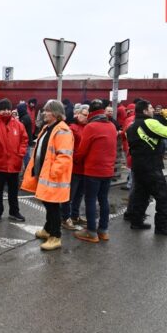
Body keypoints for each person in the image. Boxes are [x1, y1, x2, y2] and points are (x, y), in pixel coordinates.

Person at [21, 99, 74, 251]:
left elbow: (64, 156)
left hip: (53, 178)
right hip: (45, 176)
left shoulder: (62, 130)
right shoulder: (48, 128)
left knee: (53, 207)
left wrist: (53, 173)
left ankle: (55, 236)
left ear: (56, 113)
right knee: (48, 204)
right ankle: (47, 229)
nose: (44, 113)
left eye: (47, 110)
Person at [124, 100, 167, 237]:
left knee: (141, 195)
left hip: (138, 165)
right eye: (150, 108)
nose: (153, 109)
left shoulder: (132, 125)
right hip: (151, 166)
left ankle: (136, 222)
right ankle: (162, 227)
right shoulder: (150, 123)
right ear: (144, 111)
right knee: (164, 197)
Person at [73, 102, 118, 243]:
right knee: (103, 199)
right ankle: (103, 231)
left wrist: (75, 160)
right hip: (108, 170)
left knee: (90, 200)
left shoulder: (90, 127)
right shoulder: (112, 126)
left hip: (93, 170)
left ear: (91, 113)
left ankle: (91, 232)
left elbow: (82, 150)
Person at [0, 98, 28, 224]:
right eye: (3, 109)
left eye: (8, 109)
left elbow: (24, 139)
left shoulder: (18, 124)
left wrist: (21, 153)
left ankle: (14, 211)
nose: (6, 112)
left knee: (13, 191)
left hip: (14, 163)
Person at [61, 103, 89, 229]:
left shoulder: (88, 128)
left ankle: (75, 215)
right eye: (84, 114)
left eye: (88, 115)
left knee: (79, 194)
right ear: (77, 114)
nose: (86, 116)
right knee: (69, 195)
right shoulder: (72, 128)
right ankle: (65, 218)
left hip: (84, 168)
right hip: (74, 167)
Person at [16, 102, 34, 174]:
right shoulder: (25, 116)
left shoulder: (25, 118)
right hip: (27, 140)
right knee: (26, 156)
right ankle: (28, 170)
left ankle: (28, 171)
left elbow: (20, 128)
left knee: (26, 157)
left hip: (26, 141)